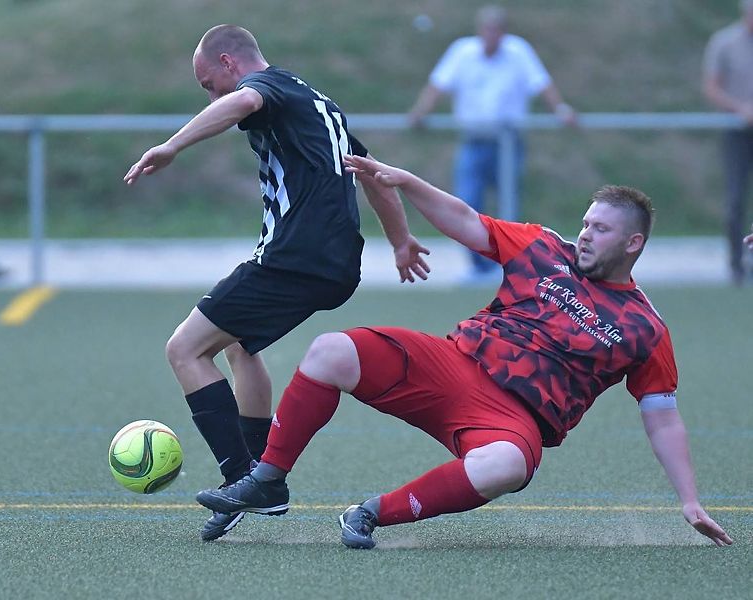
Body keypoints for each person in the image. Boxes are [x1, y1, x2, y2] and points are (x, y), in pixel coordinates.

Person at [196, 154, 733, 550]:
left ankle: (370, 514)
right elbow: (466, 221)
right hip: (450, 365)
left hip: (511, 419)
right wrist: (408, 182)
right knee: (330, 351)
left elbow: (663, 418)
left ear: (633, 243)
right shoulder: (545, 247)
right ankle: (268, 479)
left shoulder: (645, 328)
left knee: (508, 465)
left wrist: (689, 500)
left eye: (602, 229)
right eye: (586, 223)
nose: (587, 234)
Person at [123, 25, 430, 541]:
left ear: (229, 62)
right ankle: (257, 481)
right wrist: (400, 240)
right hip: (331, 263)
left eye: (209, 85)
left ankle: (247, 480)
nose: (211, 97)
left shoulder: (269, 88)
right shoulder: (318, 103)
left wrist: (172, 146)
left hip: (296, 258)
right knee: (239, 345)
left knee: (185, 349)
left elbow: (242, 102)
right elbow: (371, 173)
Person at [407, 5, 576, 282]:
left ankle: (512, 268)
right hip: (473, 140)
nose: (491, 36)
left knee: (507, 207)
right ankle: (480, 268)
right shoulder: (463, 52)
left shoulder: (518, 52)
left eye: (496, 31)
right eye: (487, 30)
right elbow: (438, 83)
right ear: (480, 31)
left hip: (508, 144)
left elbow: (541, 82)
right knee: (467, 202)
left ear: (503, 32)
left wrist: (560, 109)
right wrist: (420, 111)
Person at [703, 0, 753, 286]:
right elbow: (712, 87)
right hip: (737, 130)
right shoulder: (725, 42)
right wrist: (740, 108)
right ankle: (737, 264)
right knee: (735, 199)